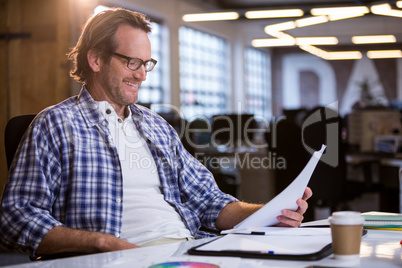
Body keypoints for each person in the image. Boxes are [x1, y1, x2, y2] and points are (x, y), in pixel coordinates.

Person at [0, 8, 312, 259]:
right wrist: (101, 243)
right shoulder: (55, 124)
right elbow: (15, 218)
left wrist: (273, 212)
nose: (141, 74)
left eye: (146, 63)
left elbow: (210, 202)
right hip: (119, 258)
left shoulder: (156, 125)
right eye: (132, 61)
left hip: (189, 249)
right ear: (95, 59)